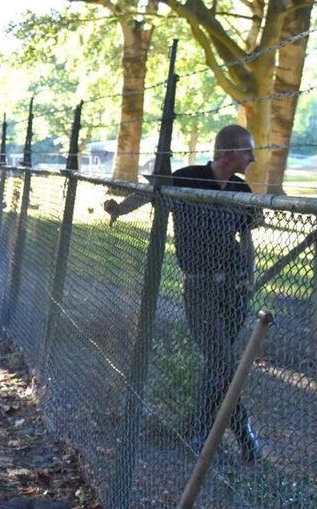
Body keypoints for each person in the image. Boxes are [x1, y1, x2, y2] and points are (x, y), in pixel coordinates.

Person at [102, 125, 263, 461]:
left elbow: (246, 240)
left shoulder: (240, 188)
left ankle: (201, 430)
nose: (253, 158)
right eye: (248, 151)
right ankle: (239, 432)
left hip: (234, 290)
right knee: (222, 361)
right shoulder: (189, 177)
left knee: (219, 365)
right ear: (228, 153)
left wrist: (249, 275)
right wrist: (119, 209)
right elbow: (151, 193)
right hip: (200, 287)